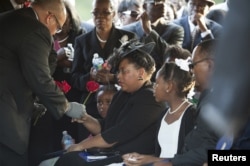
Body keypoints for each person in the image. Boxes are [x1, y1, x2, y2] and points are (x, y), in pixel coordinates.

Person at [0, 0, 86, 165]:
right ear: (50, 18)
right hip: (6, 116)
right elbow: (40, 77)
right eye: (58, 26)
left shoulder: (7, 17)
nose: (56, 32)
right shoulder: (36, 29)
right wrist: (66, 107)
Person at [54, 39, 166, 166]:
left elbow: (116, 134)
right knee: (56, 158)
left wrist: (80, 145)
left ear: (140, 73)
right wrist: (86, 119)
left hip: (131, 160)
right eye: (118, 71)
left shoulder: (150, 98)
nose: (118, 76)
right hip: (113, 155)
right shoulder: (123, 94)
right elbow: (106, 128)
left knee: (69, 160)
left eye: (124, 71)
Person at [140, 39, 220, 166]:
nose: (191, 71)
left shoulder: (230, 100)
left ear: (210, 65)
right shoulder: (207, 96)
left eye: (193, 65)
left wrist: (170, 163)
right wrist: (157, 160)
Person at [122, 46, 197, 166]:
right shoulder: (163, 114)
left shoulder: (191, 114)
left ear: (169, 86)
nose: (153, 88)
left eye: (157, 83)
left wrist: (150, 160)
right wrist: (142, 158)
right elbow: (161, 155)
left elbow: (189, 158)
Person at [71, 0, 136, 119]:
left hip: (120, 102)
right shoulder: (81, 41)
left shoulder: (128, 38)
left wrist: (114, 78)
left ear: (114, 14)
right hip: (90, 103)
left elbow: (135, 74)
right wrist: (90, 77)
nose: (100, 17)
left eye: (105, 12)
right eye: (96, 13)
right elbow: (75, 77)